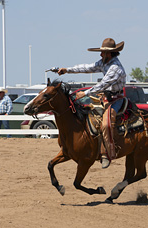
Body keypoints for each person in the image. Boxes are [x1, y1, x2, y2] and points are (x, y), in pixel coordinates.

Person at [58, 38, 126, 169]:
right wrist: (67, 70)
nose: (100, 55)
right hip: (104, 98)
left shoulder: (115, 68)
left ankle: (107, 153)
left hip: (116, 99)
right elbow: (87, 67)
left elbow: (103, 84)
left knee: (106, 124)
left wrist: (85, 93)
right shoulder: (104, 63)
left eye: (103, 52)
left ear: (109, 54)